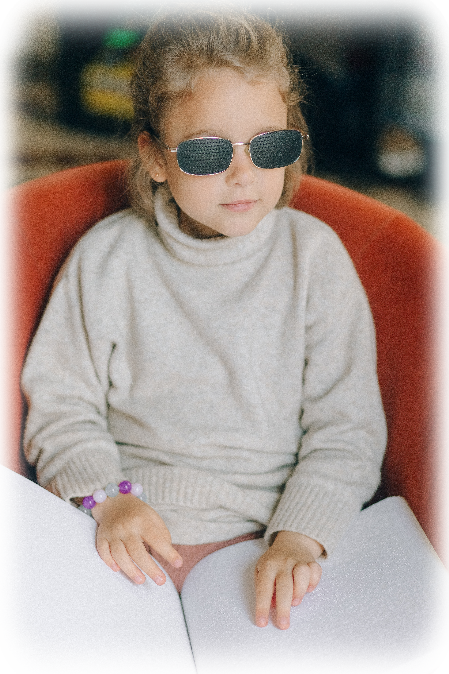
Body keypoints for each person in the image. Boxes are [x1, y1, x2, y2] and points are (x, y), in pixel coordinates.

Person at [21, 0, 387, 632]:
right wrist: (109, 502)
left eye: (270, 145)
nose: (244, 175)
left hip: (268, 544)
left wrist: (299, 537)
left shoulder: (316, 260)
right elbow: (61, 405)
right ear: (156, 158)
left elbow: (346, 428)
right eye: (205, 153)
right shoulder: (107, 258)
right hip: (119, 533)